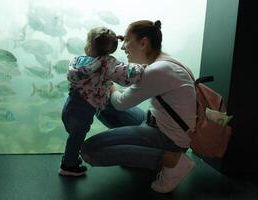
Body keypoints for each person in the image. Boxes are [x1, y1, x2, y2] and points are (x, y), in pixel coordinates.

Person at [80, 20, 197, 193]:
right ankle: (146, 159)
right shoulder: (167, 62)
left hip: (169, 138)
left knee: (89, 150)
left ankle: (173, 161)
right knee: (103, 104)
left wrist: (106, 80)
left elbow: (120, 103)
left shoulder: (157, 70)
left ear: (143, 43)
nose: (123, 47)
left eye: (126, 40)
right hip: (157, 124)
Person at [59, 27, 145, 176]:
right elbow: (125, 76)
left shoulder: (77, 60)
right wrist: (141, 68)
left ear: (89, 45)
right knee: (77, 138)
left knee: (73, 137)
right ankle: (68, 166)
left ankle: (69, 157)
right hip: (84, 111)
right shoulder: (107, 63)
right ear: (111, 49)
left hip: (70, 107)